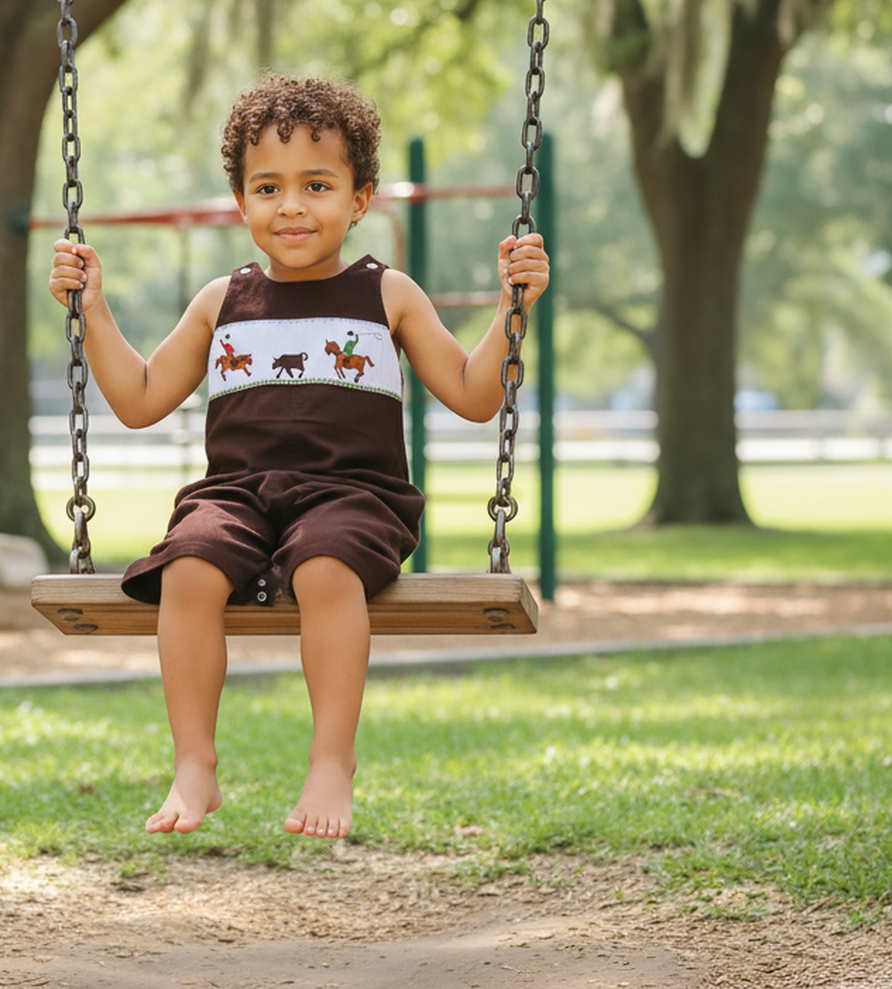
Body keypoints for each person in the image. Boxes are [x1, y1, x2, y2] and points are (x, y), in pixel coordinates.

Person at [48, 76, 549, 840]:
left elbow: (475, 394)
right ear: (240, 201)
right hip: (237, 494)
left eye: (316, 185)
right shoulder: (223, 299)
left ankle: (329, 758)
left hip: (354, 496)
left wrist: (512, 308)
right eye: (267, 187)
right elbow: (141, 398)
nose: (291, 205)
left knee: (323, 567)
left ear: (359, 199)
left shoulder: (389, 295)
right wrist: (94, 310)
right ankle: (195, 763)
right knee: (185, 567)